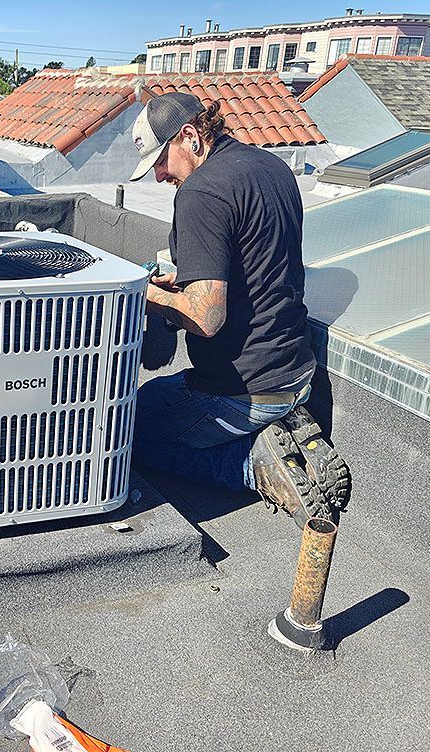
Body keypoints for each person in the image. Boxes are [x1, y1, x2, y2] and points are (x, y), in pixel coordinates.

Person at [128, 92, 348, 528]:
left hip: (239, 391)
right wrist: (181, 286)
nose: (158, 176)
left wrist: (139, 293)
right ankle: (284, 430)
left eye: (159, 160)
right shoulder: (271, 166)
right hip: (296, 372)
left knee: (119, 433)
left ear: (189, 136)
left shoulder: (200, 192)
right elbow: (254, 268)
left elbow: (207, 318)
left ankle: (253, 466)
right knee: (154, 405)